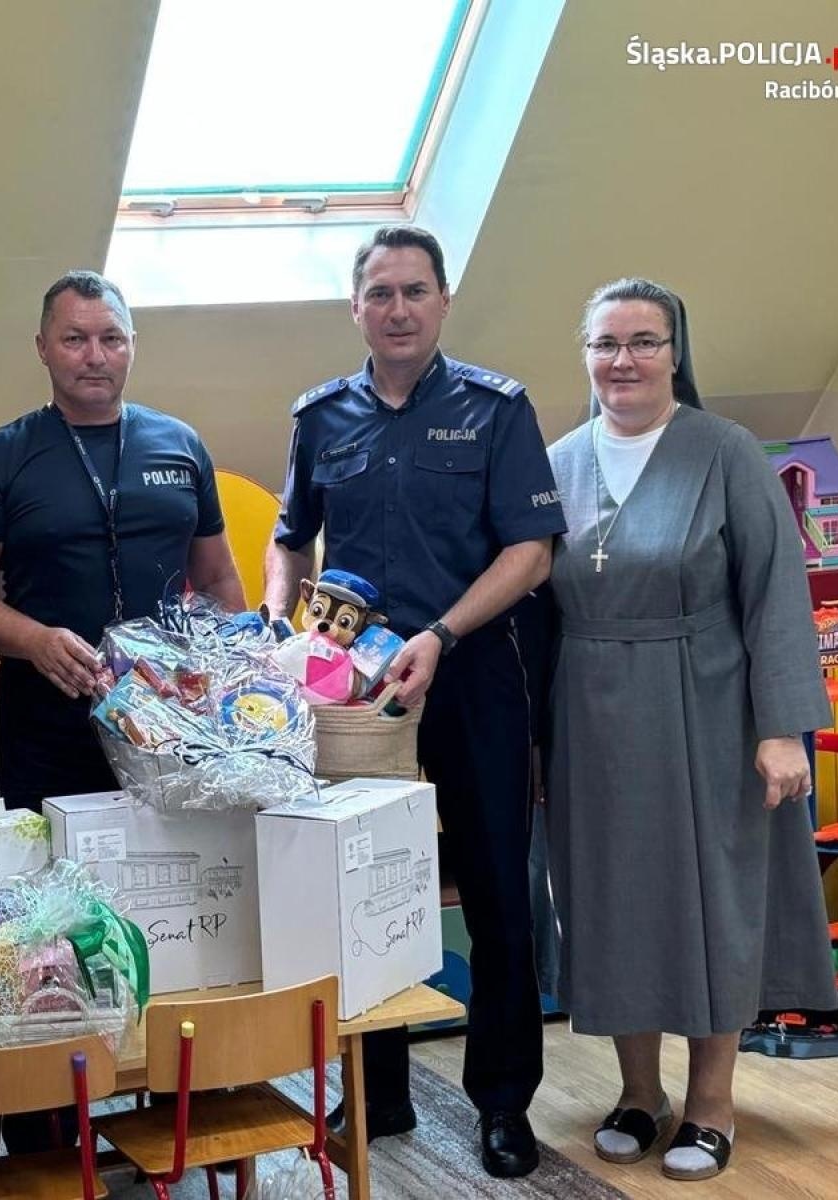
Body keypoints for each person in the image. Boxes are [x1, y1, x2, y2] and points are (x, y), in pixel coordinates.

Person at [264, 226, 566, 1179]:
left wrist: (440, 633)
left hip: (473, 670)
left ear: (443, 301)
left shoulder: (496, 409)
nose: (398, 310)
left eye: (415, 291)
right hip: (357, 690)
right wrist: (276, 622)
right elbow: (290, 537)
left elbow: (531, 553)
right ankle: (378, 1091)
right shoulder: (321, 416)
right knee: (360, 883)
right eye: (381, 293)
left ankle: (503, 1103)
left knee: (495, 886)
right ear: (355, 307)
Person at [544, 278, 835, 1182]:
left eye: (644, 341)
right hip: (589, 711)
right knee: (613, 897)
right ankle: (639, 1093)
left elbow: (776, 592)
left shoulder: (725, 451)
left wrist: (781, 728)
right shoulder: (555, 463)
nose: (623, 360)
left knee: (716, 899)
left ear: (676, 353)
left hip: (709, 707)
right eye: (605, 343)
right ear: (585, 354)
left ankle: (712, 1103)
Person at [0, 270, 246, 811]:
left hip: (171, 712)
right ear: (43, 347)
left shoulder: (180, 444)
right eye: (74, 339)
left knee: (182, 858)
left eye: (112, 338)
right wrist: (34, 639)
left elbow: (218, 576)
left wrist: (234, 679)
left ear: (133, 345)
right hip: (50, 715)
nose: (95, 356)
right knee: (56, 859)